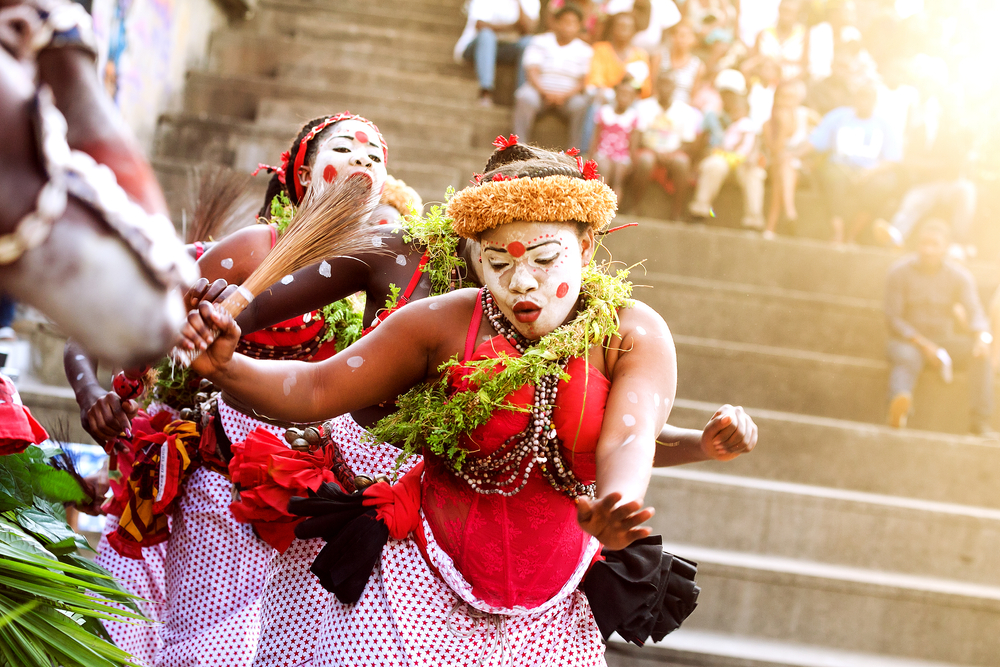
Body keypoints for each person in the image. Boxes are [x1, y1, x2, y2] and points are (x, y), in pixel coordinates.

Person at [181, 143, 690, 665]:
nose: (522, 282)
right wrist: (225, 366)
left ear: (584, 248)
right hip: (412, 587)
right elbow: (316, 389)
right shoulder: (441, 319)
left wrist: (619, 497)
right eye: (498, 262)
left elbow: (631, 433)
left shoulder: (630, 332)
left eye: (543, 259)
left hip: (553, 613)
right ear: (474, 256)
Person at [64, 112, 390, 666]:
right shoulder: (252, 250)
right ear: (304, 176)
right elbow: (140, 329)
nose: (363, 160)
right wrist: (101, 391)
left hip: (318, 491)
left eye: (376, 156)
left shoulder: (389, 259)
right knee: (205, 647)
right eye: (347, 148)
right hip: (223, 477)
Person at [884, 220, 994, 436]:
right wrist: (924, 345)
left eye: (935, 245)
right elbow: (893, 320)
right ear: (917, 245)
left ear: (946, 247)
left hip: (943, 342)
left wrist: (983, 337)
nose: (928, 250)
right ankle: (897, 411)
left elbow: (976, 314)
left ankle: (979, 423)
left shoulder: (960, 276)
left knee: (980, 354)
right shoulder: (898, 272)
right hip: (907, 341)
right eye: (924, 244)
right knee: (908, 357)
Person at [873, 95, 978, 258]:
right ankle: (895, 237)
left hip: (949, 184)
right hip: (924, 185)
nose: (931, 113)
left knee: (967, 190)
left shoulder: (954, 132)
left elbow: (955, 164)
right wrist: (937, 165)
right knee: (913, 201)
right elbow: (908, 161)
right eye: (928, 109)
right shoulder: (918, 131)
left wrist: (926, 165)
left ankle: (958, 243)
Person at [805, 81, 901, 243]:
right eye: (861, 98)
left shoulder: (885, 124)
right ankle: (837, 231)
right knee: (833, 179)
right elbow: (816, 142)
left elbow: (893, 159)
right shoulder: (839, 116)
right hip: (839, 166)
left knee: (881, 187)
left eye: (868, 99)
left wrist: (869, 173)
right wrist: (792, 154)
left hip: (871, 171)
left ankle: (852, 234)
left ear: (874, 102)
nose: (864, 102)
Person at [690, 70, 765, 229]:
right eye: (725, 94)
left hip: (741, 163)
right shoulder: (712, 116)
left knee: (755, 173)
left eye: (732, 94)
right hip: (718, 160)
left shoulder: (750, 118)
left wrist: (750, 157)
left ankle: (753, 220)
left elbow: (755, 142)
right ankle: (700, 210)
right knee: (715, 164)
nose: (729, 98)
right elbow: (701, 144)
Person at [513, 5, 595, 148]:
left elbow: (583, 81)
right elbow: (532, 71)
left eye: (573, 23)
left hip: (568, 97)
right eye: (564, 21)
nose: (568, 26)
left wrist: (563, 96)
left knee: (581, 105)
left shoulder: (585, 50)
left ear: (579, 26)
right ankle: (518, 146)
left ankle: (574, 153)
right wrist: (546, 93)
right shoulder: (540, 41)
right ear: (555, 23)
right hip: (539, 93)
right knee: (524, 97)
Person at [631, 75, 703, 217]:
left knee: (682, 163)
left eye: (669, 85)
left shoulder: (685, 111)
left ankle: (677, 211)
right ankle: (635, 206)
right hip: (649, 149)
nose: (665, 89)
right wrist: (654, 151)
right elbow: (638, 136)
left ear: (674, 88)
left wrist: (672, 153)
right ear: (657, 87)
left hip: (674, 151)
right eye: (662, 85)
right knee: (645, 161)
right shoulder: (644, 106)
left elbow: (688, 142)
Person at [581, 11, 651, 153]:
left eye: (628, 27)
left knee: (641, 109)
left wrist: (631, 86)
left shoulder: (640, 55)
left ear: (634, 31)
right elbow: (596, 80)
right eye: (620, 26)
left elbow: (644, 89)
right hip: (607, 97)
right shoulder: (601, 49)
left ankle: (628, 156)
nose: (623, 30)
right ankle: (587, 152)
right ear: (613, 28)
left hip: (630, 100)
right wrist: (622, 83)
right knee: (596, 106)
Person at [453, 0, 540, 107]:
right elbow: (480, 25)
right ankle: (485, 92)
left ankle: (521, 97)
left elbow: (528, 29)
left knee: (529, 42)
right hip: (476, 46)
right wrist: (512, 27)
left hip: (507, 48)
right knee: (487, 35)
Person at [763, 79, 817, 238]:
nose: (786, 101)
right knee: (783, 164)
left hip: (805, 168)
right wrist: (783, 128)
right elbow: (775, 153)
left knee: (784, 165)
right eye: (782, 97)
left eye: (790, 97)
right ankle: (789, 212)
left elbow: (824, 136)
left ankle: (771, 226)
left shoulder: (808, 116)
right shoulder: (768, 124)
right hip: (779, 168)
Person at [589, 76, 641, 199]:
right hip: (603, 153)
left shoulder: (633, 116)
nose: (624, 97)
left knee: (618, 175)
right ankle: (601, 206)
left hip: (622, 156)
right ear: (615, 94)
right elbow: (595, 138)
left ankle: (613, 209)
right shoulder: (604, 112)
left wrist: (633, 163)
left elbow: (633, 143)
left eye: (628, 95)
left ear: (633, 98)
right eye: (622, 93)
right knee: (604, 171)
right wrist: (591, 157)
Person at [651, 19, 706, 106]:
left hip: (681, 110)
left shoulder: (698, 66)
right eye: (679, 35)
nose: (682, 40)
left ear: (694, 40)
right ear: (672, 37)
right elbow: (652, 86)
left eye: (686, 36)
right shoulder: (659, 58)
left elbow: (693, 96)